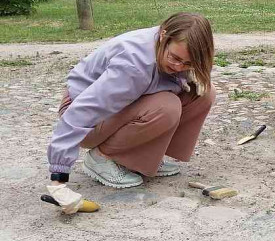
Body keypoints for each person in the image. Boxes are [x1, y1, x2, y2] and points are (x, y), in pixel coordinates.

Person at [46, 13, 216, 211]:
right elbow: (80, 114)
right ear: (163, 35)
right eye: (175, 58)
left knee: (204, 94)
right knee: (167, 106)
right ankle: (102, 157)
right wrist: (58, 178)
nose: (178, 67)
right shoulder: (133, 65)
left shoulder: (171, 48)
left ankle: (147, 158)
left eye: (187, 64)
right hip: (86, 116)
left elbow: (162, 82)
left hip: (122, 106)